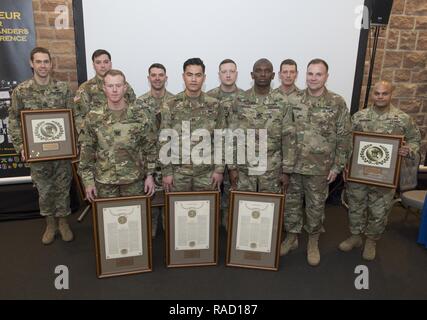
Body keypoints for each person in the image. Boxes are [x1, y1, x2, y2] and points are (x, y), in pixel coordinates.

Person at [339, 80, 421, 260]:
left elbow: (415, 140)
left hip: (385, 177)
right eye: (377, 93)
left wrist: (409, 149)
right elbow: (347, 143)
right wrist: (345, 165)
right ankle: (355, 237)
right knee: (356, 206)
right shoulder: (359, 117)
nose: (380, 97)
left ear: (391, 94)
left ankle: (371, 241)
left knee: (379, 211)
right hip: (359, 174)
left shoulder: (403, 119)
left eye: (385, 93)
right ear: (372, 94)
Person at [281, 58, 352, 266]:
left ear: (326, 77)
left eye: (318, 74)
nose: (313, 78)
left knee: (315, 207)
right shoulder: (294, 100)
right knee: (292, 205)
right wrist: (284, 165)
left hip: (321, 168)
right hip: (294, 166)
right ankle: (291, 238)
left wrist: (338, 166)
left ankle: (313, 242)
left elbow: (344, 136)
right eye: (310, 74)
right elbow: (284, 134)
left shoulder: (336, 102)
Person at [8, 47, 74, 245]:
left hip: (61, 151)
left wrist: (73, 143)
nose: (43, 66)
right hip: (37, 154)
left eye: (46, 62)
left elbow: (73, 118)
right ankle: (50, 224)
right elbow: (13, 120)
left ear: (51, 64)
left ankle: (63, 223)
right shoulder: (22, 91)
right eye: (39, 62)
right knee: (44, 190)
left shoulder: (63, 89)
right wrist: (21, 146)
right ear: (31, 63)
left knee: (63, 187)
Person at [78, 69, 156, 201]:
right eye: (110, 86)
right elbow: (87, 151)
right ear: (104, 88)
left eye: (118, 86)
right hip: (105, 182)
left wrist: (150, 176)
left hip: (133, 181)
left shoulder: (140, 116)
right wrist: (88, 182)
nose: (114, 90)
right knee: (107, 219)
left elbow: (149, 148)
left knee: (135, 218)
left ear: (125, 88)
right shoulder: (93, 117)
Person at [228, 58, 295, 195]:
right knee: (243, 209)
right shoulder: (239, 100)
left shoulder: (283, 102)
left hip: (272, 169)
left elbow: (289, 138)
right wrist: (232, 168)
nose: (263, 74)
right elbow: (232, 135)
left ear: (273, 75)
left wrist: (287, 171)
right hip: (244, 169)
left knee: (270, 209)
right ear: (252, 75)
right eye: (258, 71)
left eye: (267, 71)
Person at [160, 58, 225, 192]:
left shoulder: (215, 105)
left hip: (206, 174)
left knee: (208, 211)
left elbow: (221, 139)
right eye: (190, 75)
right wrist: (167, 172)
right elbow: (164, 141)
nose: (193, 79)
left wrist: (219, 170)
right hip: (179, 174)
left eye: (198, 75)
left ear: (204, 77)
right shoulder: (170, 105)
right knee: (177, 211)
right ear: (183, 77)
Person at [136, 63, 174, 237]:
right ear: (148, 78)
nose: (157, 78)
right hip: (149, 157)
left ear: (166, 78)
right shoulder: (139, 103)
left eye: (161, 75)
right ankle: (152, 221)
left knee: (169, 193)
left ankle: (168, 220)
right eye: (154, 75)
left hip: (169, 157)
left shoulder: (175, 101)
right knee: (150, 193)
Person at [207, 59, 244, 229]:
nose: (228, 74)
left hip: (238, 153)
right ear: (219, 74)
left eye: (231, 71)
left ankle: (228, 215)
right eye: (224, 71)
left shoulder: (245, 98)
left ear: (236, 73)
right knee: (212, 187)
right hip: (214, 153)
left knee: (232, 187)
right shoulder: (209, 97)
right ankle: (213, 218)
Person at [73, 49, 136, 135]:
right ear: (93, 65)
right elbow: (79, 117)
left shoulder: (124, 85)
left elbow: (134, 108)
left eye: (106, 62)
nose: (102, 66)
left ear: (110, 63)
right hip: (99, 136)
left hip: (124, 134)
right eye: (98, 62)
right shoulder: (85, 88)